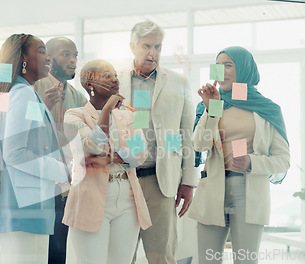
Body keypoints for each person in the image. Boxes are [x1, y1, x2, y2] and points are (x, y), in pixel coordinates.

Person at [189, 46, 290, 264]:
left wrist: (251, 162)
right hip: (213, 191)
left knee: (246, 261)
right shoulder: (211, 104)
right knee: (207, 261)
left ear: (243, 69)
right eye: (218, 66)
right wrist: (212, 108)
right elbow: (199, 144)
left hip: (249, 193)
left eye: (228, 65)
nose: (222, 71)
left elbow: (283, 160)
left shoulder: (268, 109)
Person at [0, 33, 69, 264]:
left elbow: (8, 136)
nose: (47, 56)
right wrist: (62, 170)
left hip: (17, 206)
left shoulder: (13, 92)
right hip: (25, 208)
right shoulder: (24, 94)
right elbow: (14, 152)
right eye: (41, 51)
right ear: (23, 59)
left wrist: (43, 109)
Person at [117, 21, 198, 263]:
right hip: (122, 182)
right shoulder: (114, 80)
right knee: (121, 256)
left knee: (162, 256)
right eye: (147, 46)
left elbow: (187, 135)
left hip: (160, 182)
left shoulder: (178, 82)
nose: (153, 52)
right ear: (133, 47)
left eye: (158, 46)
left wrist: (189, 181)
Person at [62, 60, 152, 264]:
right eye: (106, 76)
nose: (114, 80)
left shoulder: (130, 114)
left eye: (115, 75)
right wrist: (106, 113)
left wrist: (108, 158)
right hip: (89, 199)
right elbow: (91, 148)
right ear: (89, 85)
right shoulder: (73, 115)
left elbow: (142, 153)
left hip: (128, 199)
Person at [33, 37, 87, 264]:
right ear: (49, 58)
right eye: (66, 54)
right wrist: (41, 109)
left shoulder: (78, 97)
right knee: (33, 252)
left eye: (75, 55)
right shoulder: (33, 87)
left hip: (65, 188)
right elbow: (21, 132)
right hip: (36, 185)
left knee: (59, 251)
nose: (74, 60)